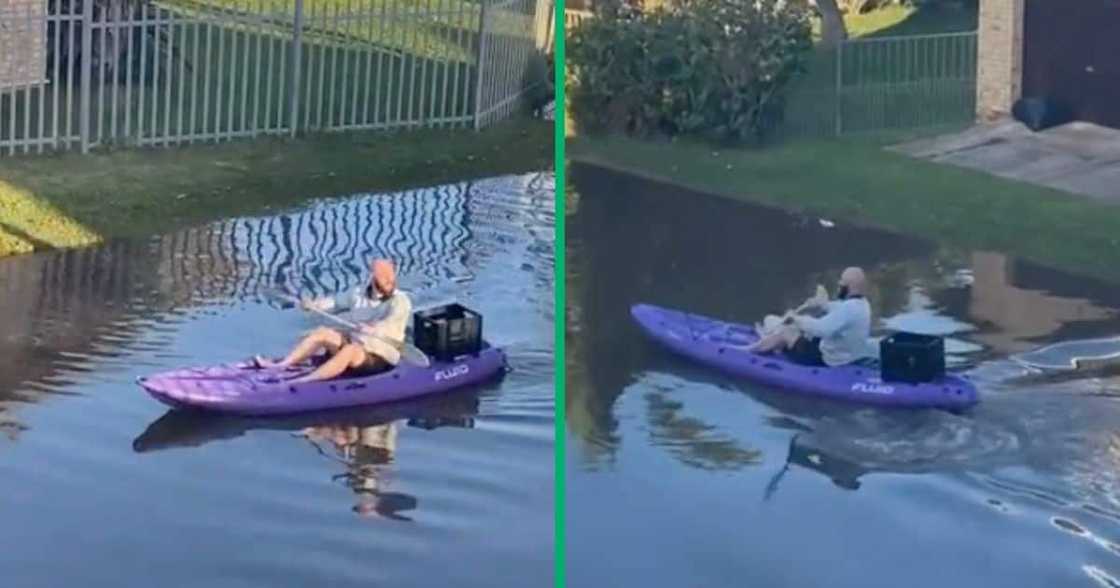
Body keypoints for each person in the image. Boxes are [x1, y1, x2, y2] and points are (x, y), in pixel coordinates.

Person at [256, 259, 412, 383]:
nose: (388, 285)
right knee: (322, 333)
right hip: (357, 346)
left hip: (379, 357)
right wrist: (314, 305)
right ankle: (282, 365)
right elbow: (335, 302)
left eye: (390, 281)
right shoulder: (357, 293)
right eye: (384, 281)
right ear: (374, 280)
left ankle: (307, 381)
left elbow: (392, 322)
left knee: (350, 350)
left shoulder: (400, 301)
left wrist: (374, 329)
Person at [749, 267, 875, 367]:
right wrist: (823, 304)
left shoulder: (849, 309)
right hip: (845, 354)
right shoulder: (863, 305)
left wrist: (796, 318)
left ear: (849, 287)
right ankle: (772, 338)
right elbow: (840, 311)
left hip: (826, 359)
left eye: (841, 283)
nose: (839, 286)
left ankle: (751, 351)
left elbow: (822, 330)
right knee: (801, 325)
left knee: (786, 332)